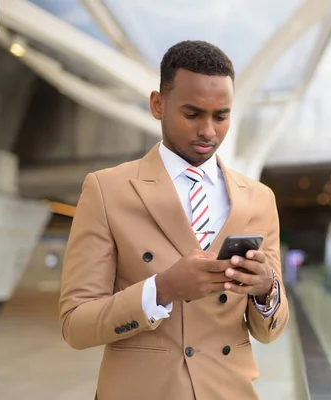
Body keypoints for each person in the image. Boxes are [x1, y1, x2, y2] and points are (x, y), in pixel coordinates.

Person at [58, 40, 288, 400]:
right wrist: (161, 289)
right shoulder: (107, 190)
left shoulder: (259, 198)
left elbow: (270, 331)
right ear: (157, 104)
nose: (208, 131)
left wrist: (265, 289)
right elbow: (76, 325)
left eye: (221, 116)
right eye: (193, 114)